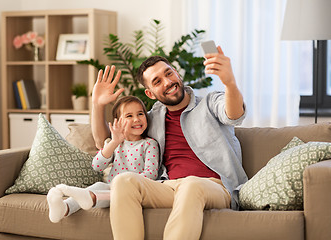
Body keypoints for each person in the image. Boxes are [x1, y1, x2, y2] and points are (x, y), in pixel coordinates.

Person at [91, 45, 248, 240]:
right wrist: (98, 106)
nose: (167, 82)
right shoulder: (151, 119)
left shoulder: (209, 103)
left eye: (169, 73)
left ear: (177, 74)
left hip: (215, 187)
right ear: (150, 93)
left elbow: (234, 115)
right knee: (124, 180)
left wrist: (230, 83)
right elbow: (105, 140)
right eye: (157, 81)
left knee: (191, 185)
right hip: (169, 186)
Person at [47, 96, 159, 223]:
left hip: (136, 191)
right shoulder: (115, 144)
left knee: (111, 191)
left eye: (140, 114)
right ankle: (65, 208)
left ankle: (90, 198)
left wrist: (127, 183)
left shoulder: (149, 144)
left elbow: (151, 174)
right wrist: (114, 142)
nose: (137, 119)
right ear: (118, 122)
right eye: (129, 116)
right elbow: (97, 166)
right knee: (100, 185)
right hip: (111, 187)